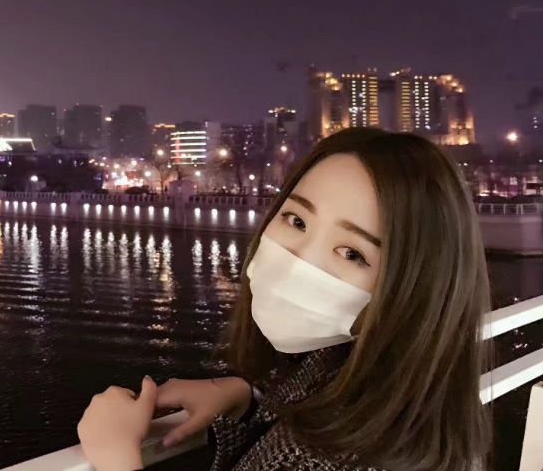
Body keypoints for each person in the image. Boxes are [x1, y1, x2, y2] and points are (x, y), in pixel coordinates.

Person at [77, 127, 492, 471]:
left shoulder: (340, 457)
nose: (298, 260)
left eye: (352, 253)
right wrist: (249, 399)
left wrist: (115, 456)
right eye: (296, 220)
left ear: (415, 287)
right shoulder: (402, 397)